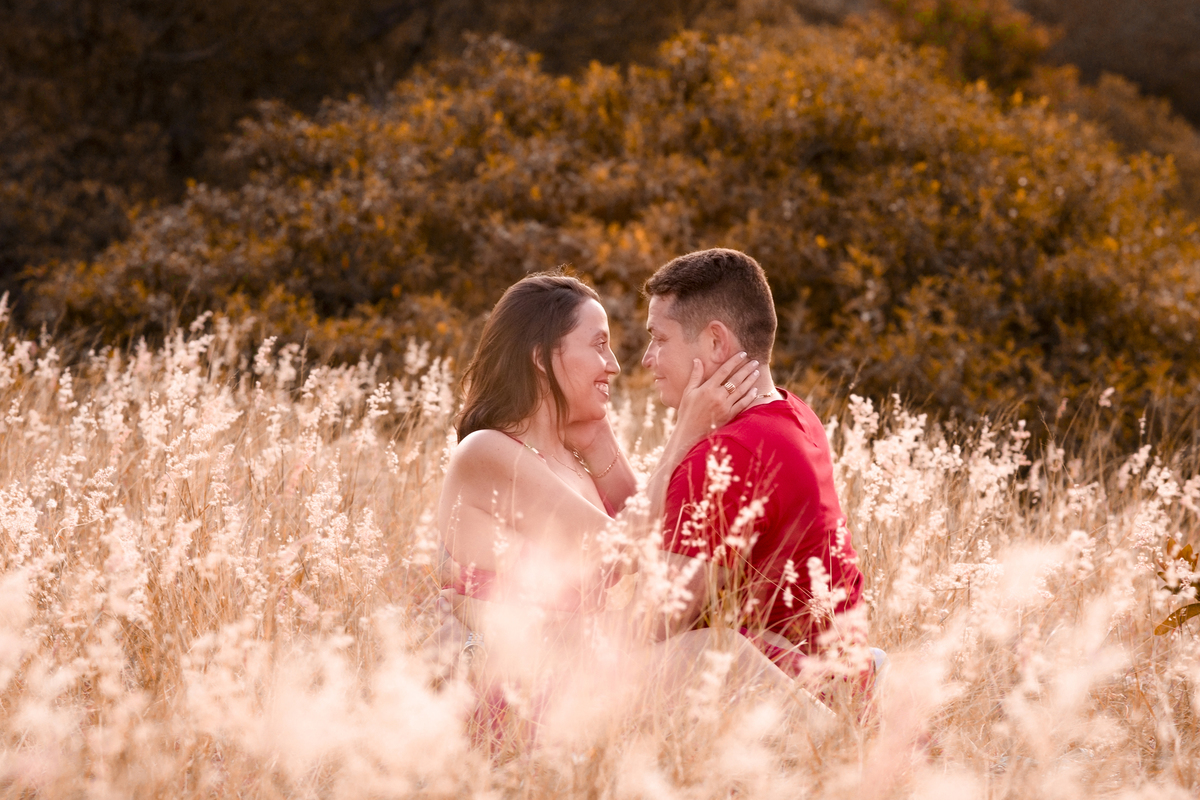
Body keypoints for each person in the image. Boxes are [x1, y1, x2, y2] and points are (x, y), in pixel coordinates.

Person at [639, 248, 867, 683]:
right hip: (837, 674)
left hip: (797, 699)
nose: (648, 358)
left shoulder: (727, 455)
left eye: (660, 338)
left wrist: (681, 438)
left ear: (715, 341)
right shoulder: (791, 412)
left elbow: (653, 621)